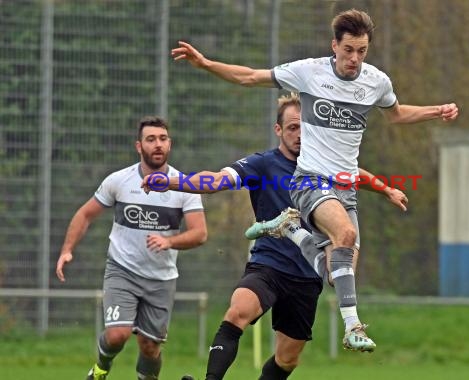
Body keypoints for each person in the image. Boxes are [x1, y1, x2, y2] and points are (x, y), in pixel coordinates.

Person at [170, 8, 458, 352]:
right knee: (346, 235)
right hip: (309, 182)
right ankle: (353, 327)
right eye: (348, 50)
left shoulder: (376, 82)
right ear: (334, 45)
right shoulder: (309, 73)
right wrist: (206, 64)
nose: (354, 59)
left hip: (344, 189)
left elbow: (396, 114)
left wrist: (435, 111)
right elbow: (249, 77)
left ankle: (289, 229)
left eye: (362, 51)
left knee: (336, 273)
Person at [141, 93, 407, 379]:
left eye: (305, 126)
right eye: (292, 127)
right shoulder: (262, 165)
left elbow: (357, 174)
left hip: (307, 275)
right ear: (278, 130)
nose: (300, 134)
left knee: (288, 359)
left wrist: (387, 189)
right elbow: (215, 180)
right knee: (237, 312)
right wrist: (172, 181)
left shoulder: (325, 166)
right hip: (269, 264)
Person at [55, 116, 208, 380]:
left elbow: (200, 233)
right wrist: (67, 249)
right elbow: (85, 215)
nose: (157, 145)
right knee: (118, 334)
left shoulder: (185, 186)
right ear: (139, 146)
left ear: (169, 144)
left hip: (161, 278)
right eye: (151, 139)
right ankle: (101, 368)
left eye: (162, 139)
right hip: (122, 270)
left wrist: (170, 241)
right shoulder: (119, 180)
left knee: (150, 347)